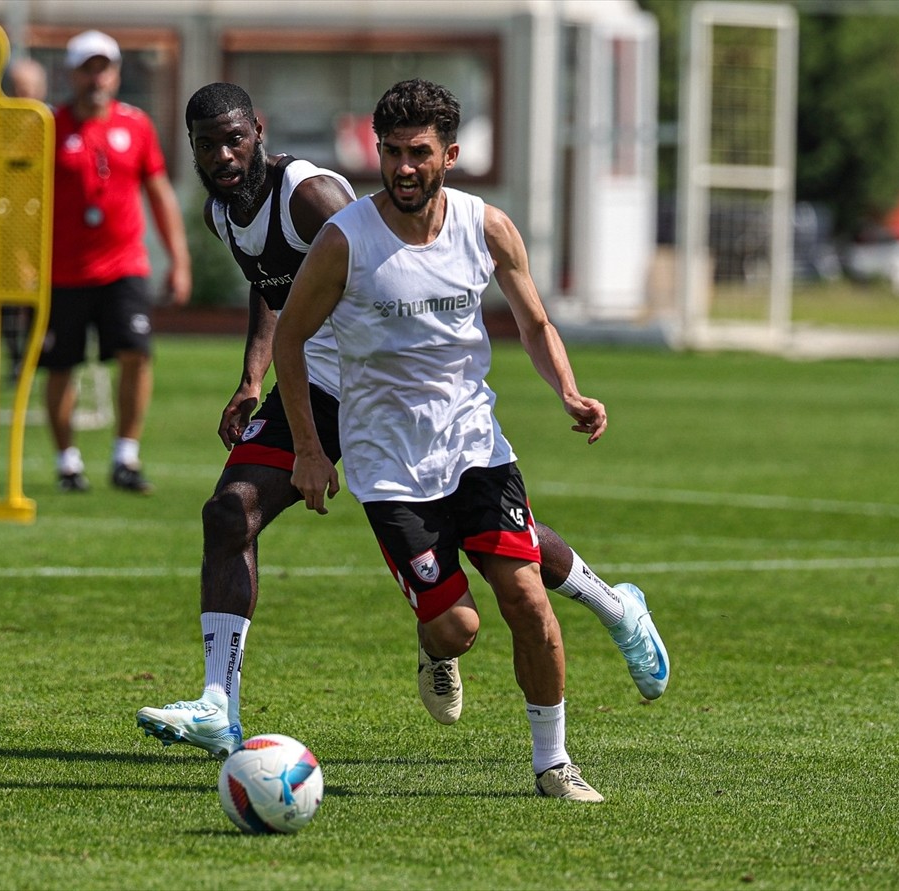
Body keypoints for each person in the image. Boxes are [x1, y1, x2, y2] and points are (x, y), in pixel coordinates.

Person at [134, 84, 668, 776]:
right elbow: (275, 294)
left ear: (258, 132)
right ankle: (219, 705)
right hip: (322, 388)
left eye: (234, 139)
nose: (223, 156)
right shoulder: (223, 210)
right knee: (230, 510)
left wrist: (543, 382)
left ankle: (614, 609)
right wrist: (252, 380)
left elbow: (375, 258)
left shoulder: (314, 200)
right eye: (207, 144)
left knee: (503, 549)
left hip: (388, 392)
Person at [41, 30, 192, 494]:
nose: (96, 78)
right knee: (61, 364)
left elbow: (159, 193)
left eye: (103, 68)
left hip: (124, 265)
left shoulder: (137, 125)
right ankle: (67, 463)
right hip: (62, 270)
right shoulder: (48, 127)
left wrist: (179, 259)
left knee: (137, 353)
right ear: (71, 74)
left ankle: (126, 456)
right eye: (87, 69)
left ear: (116, 74)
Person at [1, 57, 48, 384]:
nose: (24, 95)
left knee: (41, 294)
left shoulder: (51, 125)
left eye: (29, 89)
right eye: (18, 89)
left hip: (43, 226)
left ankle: (37, 354)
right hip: (6, 225)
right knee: (6, 295)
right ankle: (16, 358)